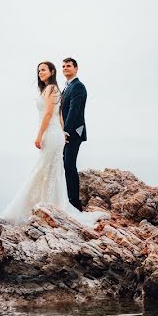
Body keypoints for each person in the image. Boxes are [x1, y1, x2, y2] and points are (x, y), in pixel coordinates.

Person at [1, 61, 105, 226]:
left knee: (57, 167)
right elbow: (60, 114)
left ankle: (70, 203)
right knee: (52, 169)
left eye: (43, 70)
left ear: (51, 71)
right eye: (38, 70)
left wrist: (49, 133)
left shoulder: (66, 87)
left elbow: (54, 113)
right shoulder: (59, 88)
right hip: (57, 133)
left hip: (59, 132)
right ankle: (50, 203)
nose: (40, 72)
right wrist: (62, 131)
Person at [60, 57, 87, 211]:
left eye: (68, 66)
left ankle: (75, 203)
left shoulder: (78, 87)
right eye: (63, 66)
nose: (65, 68)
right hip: (66, 132)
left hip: (74, 132)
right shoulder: (66, 87)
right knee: (66, 164)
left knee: (69, 165)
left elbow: (74, 111)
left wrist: (66, 131)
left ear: (76, 69)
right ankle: (69, 199)